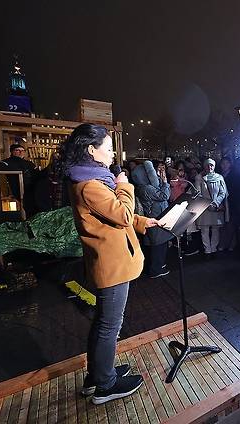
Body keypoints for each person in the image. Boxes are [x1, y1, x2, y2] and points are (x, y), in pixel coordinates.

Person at [61, 123, 158, 405]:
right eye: (107, 146)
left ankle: (97, 375)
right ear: (92, 150)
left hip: (110, 260)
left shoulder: (93, 178)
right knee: (109, 326)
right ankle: (105, 385)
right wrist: (125, 184)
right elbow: (122, 214)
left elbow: (111, 219)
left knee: (104, 323)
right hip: (111, 265)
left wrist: (142, 221)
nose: (113, 151)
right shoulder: (91, 185)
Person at [131, 160, 171, 278]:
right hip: (155, 218)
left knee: (155, 243)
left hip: (154, 217)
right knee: (158, 244)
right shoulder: (146, 188)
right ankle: (155, 270)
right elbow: (164, 196)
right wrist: (165, 182)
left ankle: (156, 265)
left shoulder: (143, 187)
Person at [195, 158, 228, 255]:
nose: (210, 167)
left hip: (216, 207)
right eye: (207, 165)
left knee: (215, 229)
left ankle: (213, 249)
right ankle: (207, 250)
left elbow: (223, 192)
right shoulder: (199, 177)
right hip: (204, 207)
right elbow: (198, 193)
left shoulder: (219, 177)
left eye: (211, 165)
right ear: (204, 166)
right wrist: (206, 204)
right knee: (204, 230)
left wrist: (216, 203)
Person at [0, 143, 37, 215]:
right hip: (14, 190)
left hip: (30, 190)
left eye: (23, 150)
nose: (21, 152)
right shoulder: (5, 163)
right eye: (18, 150)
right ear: (12, 151)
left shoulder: (29, 163)